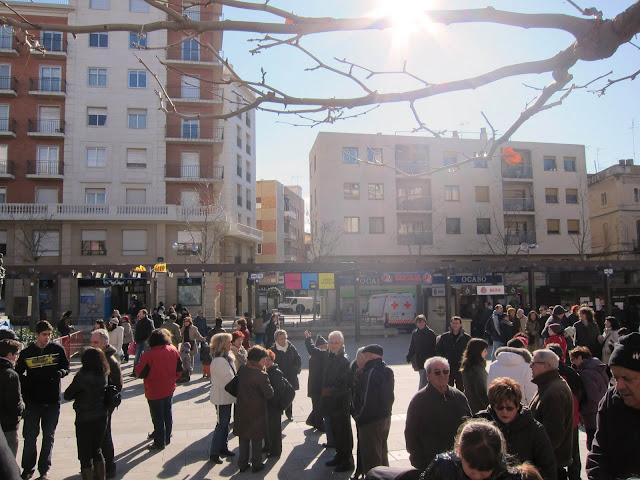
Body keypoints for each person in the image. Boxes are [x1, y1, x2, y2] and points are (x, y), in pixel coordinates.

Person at [16, 320, 69, 480]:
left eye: (49, 335)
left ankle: (44, 469)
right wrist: (29, 384)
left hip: (52, 401)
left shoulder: (57, 349)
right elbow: (18, 374)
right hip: (32, 402)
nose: (47, 338)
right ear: (37, 335)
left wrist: (60, 373)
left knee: (49, 437)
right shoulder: (27, 353)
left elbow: (66, 367)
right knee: (30, 437)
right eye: (44, 335)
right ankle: (28, 468)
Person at [476, 377, 556, 480]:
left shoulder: (534, 429)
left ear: (518, 406)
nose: (504, 412)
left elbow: (548, 467)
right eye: (500, 407)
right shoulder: (479, 423)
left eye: (509, 408)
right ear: (493, 405)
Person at [586, 332, 640, 479]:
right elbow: (598, 454)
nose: (619, 386)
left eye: (627, 378)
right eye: (615, 378)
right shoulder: (611, 400)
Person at [405, 356, 472, 471]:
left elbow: (470, 425)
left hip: (458, 462)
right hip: (430, 463)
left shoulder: (459, 396)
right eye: (437, 372)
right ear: (428, 376)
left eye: (446, 371)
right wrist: (419, 461)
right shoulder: (419, 400)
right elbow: (411, 434)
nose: (442, 375)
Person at [63, 347, 109, 480]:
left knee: (84, 455)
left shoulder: (81, 376)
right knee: (97, 450)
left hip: (84, 417)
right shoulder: (103, 374)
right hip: (101, 416)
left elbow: (67, 394)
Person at [529, 349, 574, 480]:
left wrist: (538, 456)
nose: (530, 366)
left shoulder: (554, 391)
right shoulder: (548, 385)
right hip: (549, 462)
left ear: (547, 365)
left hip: (550, 465)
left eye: (533, 363)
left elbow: (553, 435)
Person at [135, 329, 183, 451]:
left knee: (157, 416)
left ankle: (159, 442)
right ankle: (167, 437)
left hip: (154, 389)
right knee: (167, 412)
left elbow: (139, 372)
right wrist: (173, 379)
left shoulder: (149, 354)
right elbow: (179, 369)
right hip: (169, 387)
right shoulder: (173, 349)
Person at [351, 344, 394, 478]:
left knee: (372, 460)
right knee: (382, 454)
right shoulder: (386, 369)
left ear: (370, 355)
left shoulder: (371, 372)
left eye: (364, 355)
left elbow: (366, 400)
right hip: (385, 418)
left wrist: (359, 417)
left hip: (370, 422)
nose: (362, 358)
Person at [546, 344, 583, 480]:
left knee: (554, 452)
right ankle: (575, 477)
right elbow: (580, 392)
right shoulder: (570, 371)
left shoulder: (547, 373)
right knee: (574, 453)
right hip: (572, 419)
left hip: (554, 420)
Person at [234, 346, 274, 473]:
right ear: (258, 360)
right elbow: (269, 394)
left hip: (241, 409)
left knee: (243, 437)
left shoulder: (242, 369)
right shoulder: (261, 375)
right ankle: (256, 464)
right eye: (264, 359)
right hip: (256, 412)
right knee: (257, 439)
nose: (265, 362)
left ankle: (243, 464)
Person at [90, 329, 123, 479]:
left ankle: (109, 467)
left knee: (105, 437)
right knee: (97, 437)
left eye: (96, 342)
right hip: (93, 405)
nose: (92, 344)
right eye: (92, 342)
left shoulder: (110, 361)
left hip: (103, 405)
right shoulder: (94, 357)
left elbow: (118, 384)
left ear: (105, 343)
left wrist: (107, 400)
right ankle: (99, 465)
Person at [322, 330, 354, 473]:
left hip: (340, 404)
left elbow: (346, 384)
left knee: (343, 433)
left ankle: (347, 461)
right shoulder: (330, 356)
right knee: (335, 432)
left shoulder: (344, 360)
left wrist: (330, 391)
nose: (333, 345)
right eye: (331, 342)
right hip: (330, 402)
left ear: (342, 344)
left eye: (336, 342)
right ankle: (339, 456)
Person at [568, 346, 609, 450]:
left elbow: (591, 394)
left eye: (573, 359)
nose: (572, 363)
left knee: (592, 442)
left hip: (590, 412)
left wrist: (583, 410)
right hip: (601, 406)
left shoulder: (585, 373)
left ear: (580, 357)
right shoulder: (598, 366)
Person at [209, 333, 237, 464]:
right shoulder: (219, 361)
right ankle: (214, 453)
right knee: (221, 424)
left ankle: (223, 447)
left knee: (225, 424)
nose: (231, 344)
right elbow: (228, 380)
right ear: (222, 344)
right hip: (221, 398)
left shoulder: (227, 358)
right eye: (229, 342)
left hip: (227, 397)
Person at [264, 349, 294, 458]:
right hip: (270, 406)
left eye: (269, 360)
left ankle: (275, 452)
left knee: (275, 431)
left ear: (272, 360)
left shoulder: (275, 372)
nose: (266, 362)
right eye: (264, 359)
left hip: (274, 406)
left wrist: (278, 405)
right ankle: (268, 446)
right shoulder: (268, 371)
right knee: (268, 429)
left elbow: (278, 391)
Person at [488, 340, 538, 405]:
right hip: (520, 408)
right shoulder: (527, 366)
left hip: (498, 406)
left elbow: (489, 386)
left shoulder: (493, 365)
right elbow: (530, 391)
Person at [0, 339, 24, 457]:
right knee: (9, 460)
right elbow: (15, 403)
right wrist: (22, 409)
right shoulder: (11, 374)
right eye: (17, 354)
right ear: (10, 355)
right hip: (8, 425)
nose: (18, 357)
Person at [271, 329, 301, 421]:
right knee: (279, 395)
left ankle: (289, 413)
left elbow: (298, 358)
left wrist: (296, 369)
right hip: (279, 377)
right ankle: (279, 412)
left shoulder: (291, 347)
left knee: (289, 394)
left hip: (291, 376)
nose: (283, 340)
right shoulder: (272, 350)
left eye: (284, 338)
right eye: (281, 338)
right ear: (276, 339)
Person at [436, 316, 471, 390]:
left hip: (461, 367)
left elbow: (470, 352)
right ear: (450, 324)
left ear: (460, 325)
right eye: (453, 323)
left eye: (457, 323)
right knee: (448, 388)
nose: (455, 325)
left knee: (461, 388)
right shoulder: (444, 337)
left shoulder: (467, 338)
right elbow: (439, 351)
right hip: (448, 367)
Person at [304, 333, 328, 432]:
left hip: (317, 386)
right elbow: (312, 349)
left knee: (318, 405)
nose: (325, 348)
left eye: (325, 346)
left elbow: (312, 349)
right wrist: (308, 339)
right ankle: (319, 425)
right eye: (322, 346)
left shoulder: (317, 355)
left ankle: (311, 420)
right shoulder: (319, 355)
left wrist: (309, 339)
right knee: (318, 407)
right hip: (317, 386)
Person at [406, 314, 437, 389]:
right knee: (424, 378)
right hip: (419, 360)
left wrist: (435, 359)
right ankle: (427, 394)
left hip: (429, 360)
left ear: (425, 322)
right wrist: (409, 356)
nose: (420, 324)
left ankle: (420, 395)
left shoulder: (431, 333)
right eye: (418, 322)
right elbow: (412, 346)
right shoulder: (415, 333)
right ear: (416, 324)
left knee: (423, 381)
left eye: (422, 322)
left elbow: (435, 347)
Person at [460, 338, 489, 413]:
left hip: (471, 406)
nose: (487, 353)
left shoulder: (468, 365)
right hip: (479, 409)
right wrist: (490, 408)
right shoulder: (477, 369)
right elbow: (481, 392)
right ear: (478, 352)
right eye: (485, 351)